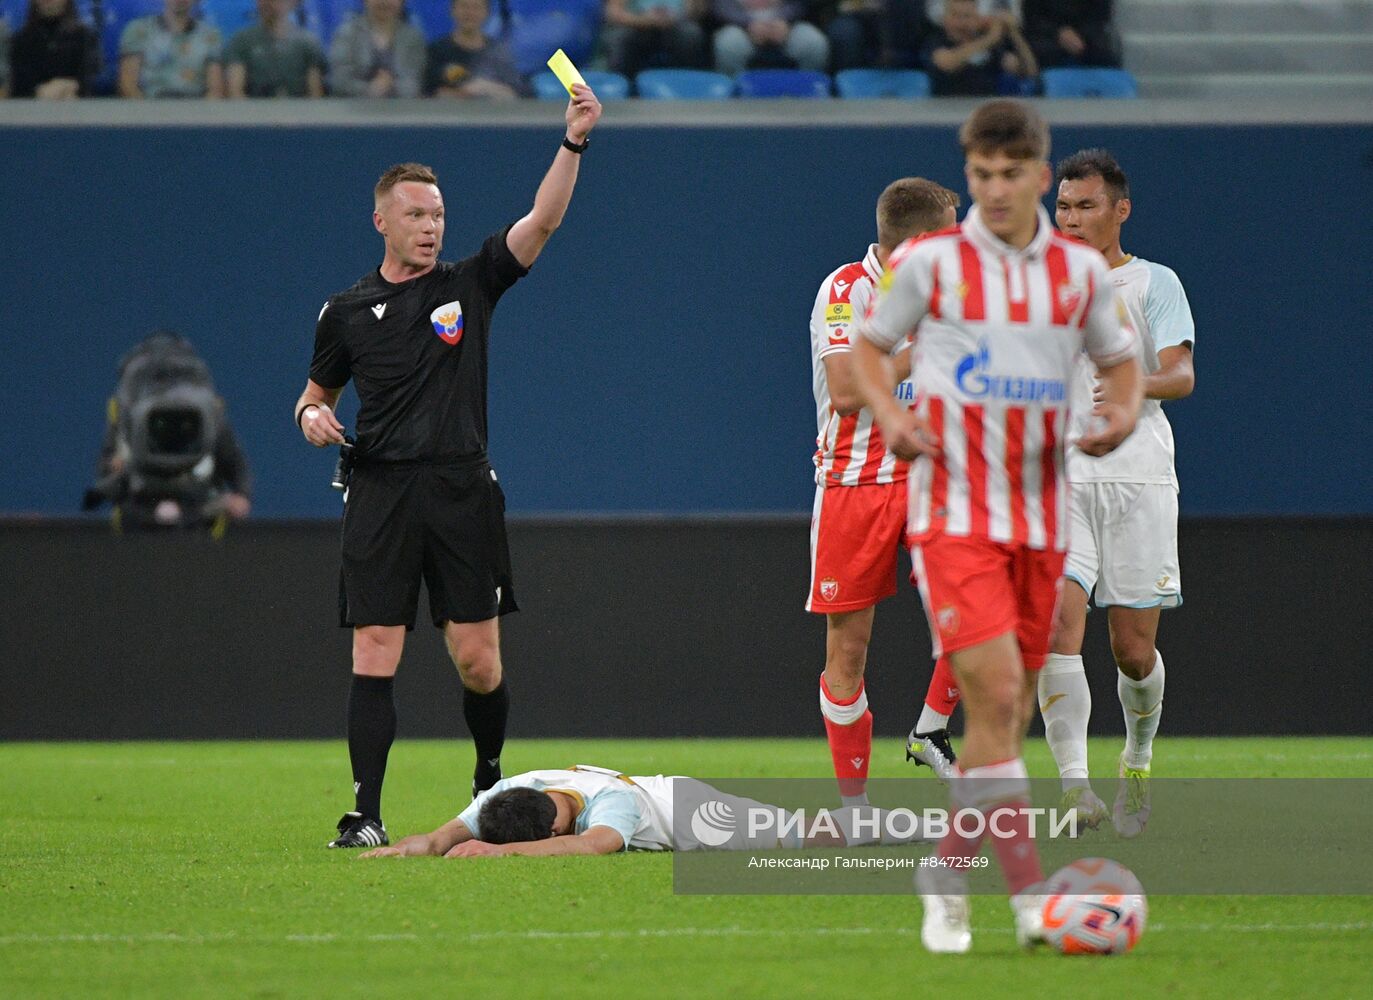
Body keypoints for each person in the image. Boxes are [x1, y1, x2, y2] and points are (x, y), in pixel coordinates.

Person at [852, 98, 1142, 954]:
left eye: (1011, 174)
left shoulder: (1078, 276)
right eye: (980, 175)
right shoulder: (933, 264)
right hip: (951, 516)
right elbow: (867, 352)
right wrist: (890, 416)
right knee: (999, 697)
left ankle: (945, 868)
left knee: (1000, 724)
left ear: (1038, 176)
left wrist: (1119, 417)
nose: (996, 189)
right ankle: (1028, 902)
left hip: (1042, 520)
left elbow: (1122, 369)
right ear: (970, 175)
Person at [294, 84, 603, 850]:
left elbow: (544, 222)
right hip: (379, 490)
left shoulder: (468, 284)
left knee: (476, 659)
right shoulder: (343, 311)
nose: (431, 227)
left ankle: (488, 777)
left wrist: (572, 143)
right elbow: (313, 395)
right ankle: (365, 812)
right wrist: (309, 418)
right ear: (382, 221)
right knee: (375, 647)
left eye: (436, 215)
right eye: (416, 215)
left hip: (461, 488)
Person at [1043, 148, 1194, 837]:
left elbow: (1178, 376)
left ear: (1118, 210)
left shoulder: (1154, 282)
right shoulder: (1035, 286)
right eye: (1063, 206)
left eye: (1084, 206)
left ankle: (1135, 762)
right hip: (1061, 477)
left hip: (1137, 477)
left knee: (1132, 651)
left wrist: (1130, 386)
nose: (1070, 219)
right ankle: (1076, 791)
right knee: (1054, 626)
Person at [808, 177, 964, 800]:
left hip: (933, 475)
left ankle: (931, 730)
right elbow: (847, 392)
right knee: (849, 651)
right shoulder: (847, 290)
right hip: (856, 482)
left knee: (983, 610)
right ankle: (854, 810)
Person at [356, 763, 929, 857]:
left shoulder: (613, 805)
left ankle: (930, 826)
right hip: (666, 798)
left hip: (689, 812)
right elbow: (436, 839)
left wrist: (495, 856)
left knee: (813, 836)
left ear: (552, 824)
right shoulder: (514, 789)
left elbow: (593, 845)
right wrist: (398, 851)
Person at [84, 331, 252, 533]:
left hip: (200, 517)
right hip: (138, 516)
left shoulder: (209, 416)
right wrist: (114, 469)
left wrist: (241, 496)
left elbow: (235, 463)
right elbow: (105, 474)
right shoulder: (125, 414)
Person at [922, 0, 1036, 97]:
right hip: (945, 113)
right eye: (955, 16)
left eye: (967, 16)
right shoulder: (936, 41)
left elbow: (1028, 71)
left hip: (986, 110)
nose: (961, 22)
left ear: (977, 19)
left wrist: (1013, 32)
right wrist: (990, 39)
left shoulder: (992, 47)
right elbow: (947, 63)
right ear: (945, 19)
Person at [117, 0, 224, 98]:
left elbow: (215, 89)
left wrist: (203, 116)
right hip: (150, 105)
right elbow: (128, 86)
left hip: (195, 107)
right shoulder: (139, 30)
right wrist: (146, 115)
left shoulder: (210, 36)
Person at [425, 0, 527, 100]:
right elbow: (429, 94)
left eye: (476, 7)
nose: (469, 13)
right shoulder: (436, 52)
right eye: (464, 6)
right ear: (452, 11)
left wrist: (486, 88)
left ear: (487, 13)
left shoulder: (498, 53)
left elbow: (514, 94)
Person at [224, 0, 326, 98]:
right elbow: (235, 92)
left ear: (293, 2)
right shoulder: (242, 41)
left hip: (299, 113)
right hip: (254, 112)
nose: (265, 3)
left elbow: (315, 95)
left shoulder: (308, 44)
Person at [329, 0, 426, 98]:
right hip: (353, 107)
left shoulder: (413, 38)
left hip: (402, 109)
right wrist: (370, 89)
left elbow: (415, 82)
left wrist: (390, 86)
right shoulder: (346, 34)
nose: (384, 2)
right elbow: (339, 81)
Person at [7, 0, 101, 99]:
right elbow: (18, 87)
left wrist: (67, 87)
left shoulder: (84, 38)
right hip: (31, 108)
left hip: (76, 105)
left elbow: (89, 81)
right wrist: (39, 92)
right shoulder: (20, 42)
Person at [711, 0, 830, 76]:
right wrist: (749, 24)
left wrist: (783, 21)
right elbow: (721, 5)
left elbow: (799, 4)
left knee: (813, 42)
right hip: (740, 24)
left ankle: (808, 93)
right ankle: (734, 95)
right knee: (729, 44)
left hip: (787, 23)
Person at [601, 0, 708, 80]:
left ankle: (687, 86)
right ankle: (624, 89)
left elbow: (698, 10)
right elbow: (614, 13)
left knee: (691, 34)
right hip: (636, 25)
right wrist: (645, 20)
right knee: (619, 38)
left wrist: (674, 17)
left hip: (675, 24)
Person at [1021, 0, 1122, 70]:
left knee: (1106, 56)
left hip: (1086, 39)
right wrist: (1059, 32)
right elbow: (1032, 18)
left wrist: (1081, 36)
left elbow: (1100, 17)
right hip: (1047, 38)